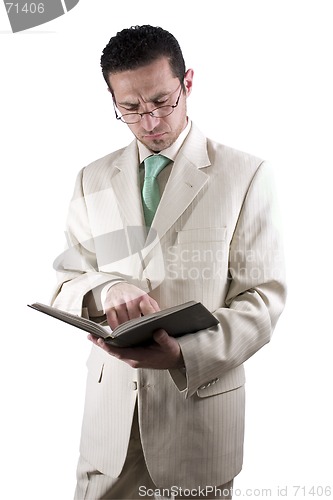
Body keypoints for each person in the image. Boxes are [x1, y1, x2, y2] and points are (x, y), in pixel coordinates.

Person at [51, 25, 286, 500]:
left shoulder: (246, 175)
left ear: (188, 83)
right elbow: (68, 280)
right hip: (109, 428)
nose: (150, 120)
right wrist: (107, 290)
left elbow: (262, 301)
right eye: (131, 109)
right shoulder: (91, 178)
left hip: (197, 418)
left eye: (163, 101)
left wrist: (184, 354)